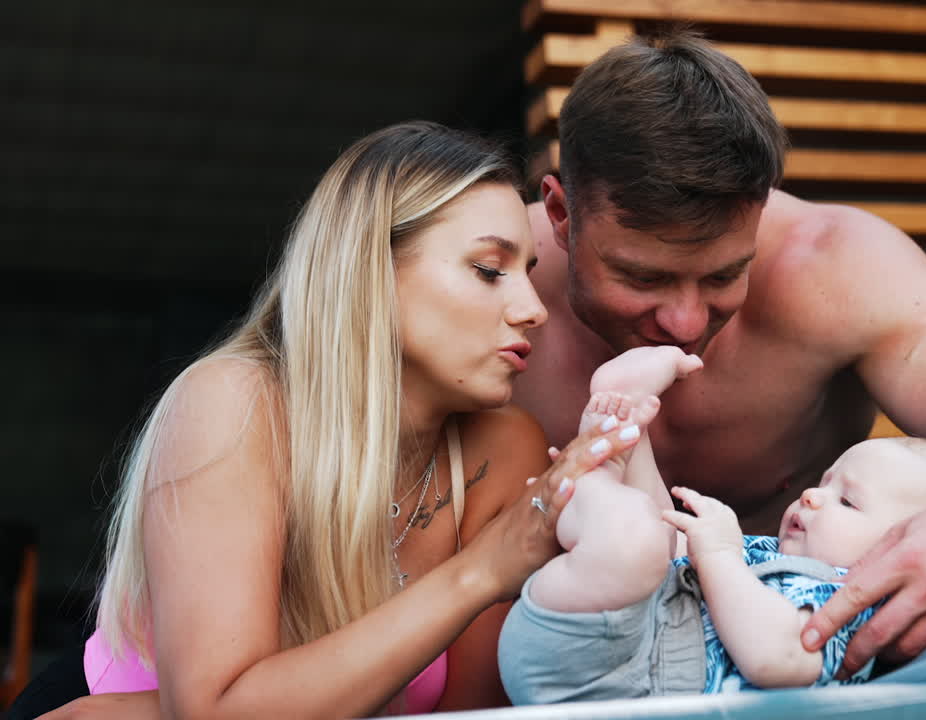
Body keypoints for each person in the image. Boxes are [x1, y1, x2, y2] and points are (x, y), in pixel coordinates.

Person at [512, 28, 926, 674]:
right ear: (560, 214)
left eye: (724, 276)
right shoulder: (491, 284)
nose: (686, 321)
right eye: (643, 277)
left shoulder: (833, 269)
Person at [9, 121, 650, 720]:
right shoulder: (236, 404)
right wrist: (483, 569)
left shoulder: (503, 448)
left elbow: (467, 717)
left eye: (529, 273)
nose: (532, 308)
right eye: (489, 270)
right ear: (370, 267)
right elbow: (217, 711)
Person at [498, 346, 926, 701]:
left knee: (639, 537)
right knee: (654, 536)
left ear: (901, 552)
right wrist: (713, 555)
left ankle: (593, 474)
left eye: (848, 502)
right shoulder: (766, 559)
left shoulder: (848, 607)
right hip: (610, 644)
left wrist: (717, 556)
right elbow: (673, 561)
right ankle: (624, 426)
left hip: (619, 676)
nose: (813, 496)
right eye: (825, 480)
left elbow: (777, 659)